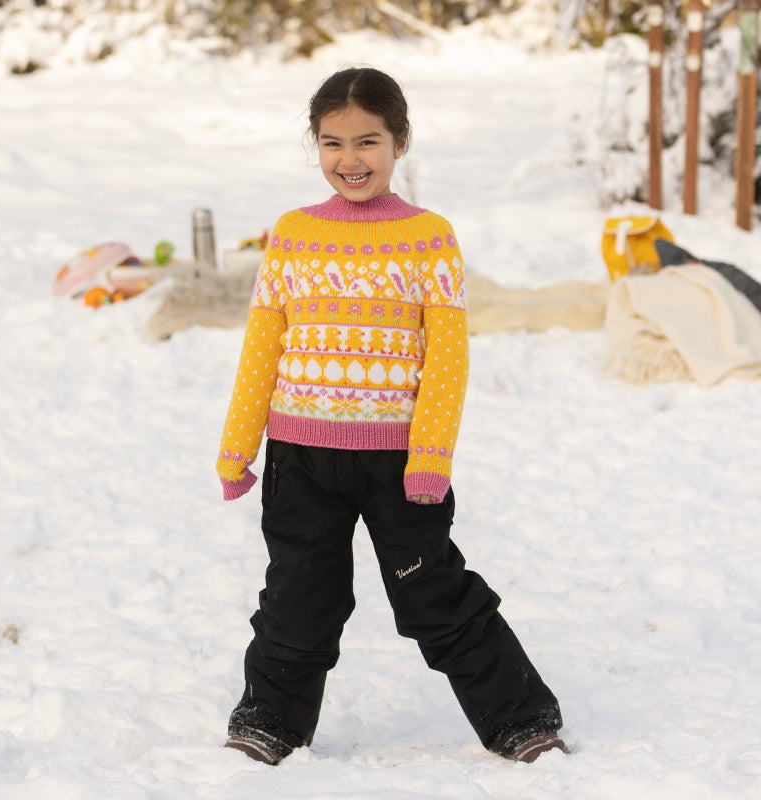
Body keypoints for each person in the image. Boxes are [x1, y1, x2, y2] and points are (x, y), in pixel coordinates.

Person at [216, 67, 568, 766]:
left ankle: (521, 718)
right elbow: (263, 344)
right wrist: (238, 446)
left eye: (368, 141)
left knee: (432, 591)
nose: (350, 159)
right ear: (315, 145)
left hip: (399, 462)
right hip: (301, 456)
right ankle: (271, 720)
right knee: (298, 595)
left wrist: (430, 454)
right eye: (332, 142)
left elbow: (447, 359)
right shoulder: (291, 235)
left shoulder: (429, 237)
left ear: (400, 141)